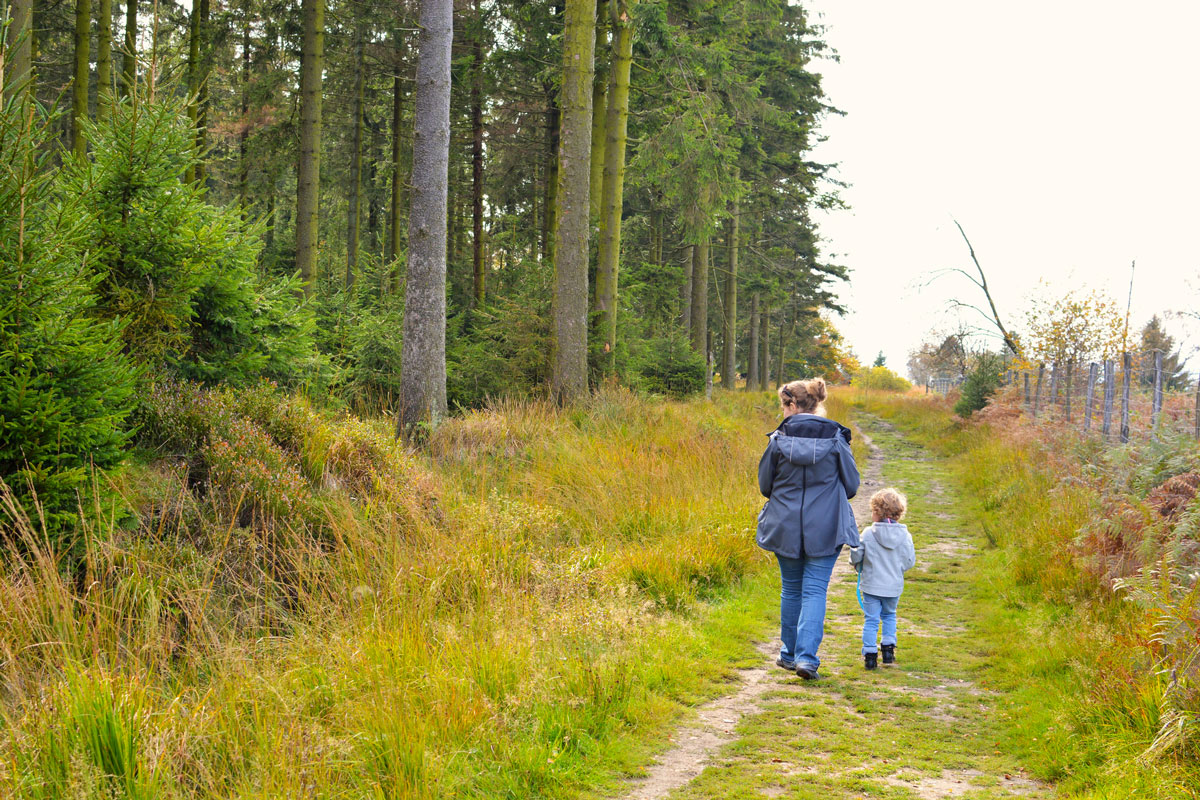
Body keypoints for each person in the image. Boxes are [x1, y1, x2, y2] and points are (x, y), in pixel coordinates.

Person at [757, 378, 860, 680]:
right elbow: (852, 486)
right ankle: (806, 659)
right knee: (815, 590)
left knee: (791, 588)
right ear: (816, 404)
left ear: (791, 405)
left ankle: (788, 654)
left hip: (785, 525)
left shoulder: (777, 440)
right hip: (826, 526)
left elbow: (765, 487)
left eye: (783, 405)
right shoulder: (836, 439)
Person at [849, 488, 916, 670]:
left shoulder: (869, 534)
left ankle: (870, 655)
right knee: (889, 615)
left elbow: (856, 554)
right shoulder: (905, 536)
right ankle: (888, 650)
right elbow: (909, 561)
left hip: (871, 586)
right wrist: (897, 569)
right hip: (893, 586)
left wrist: (856, 564)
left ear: (877, 512)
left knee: (871, 619)